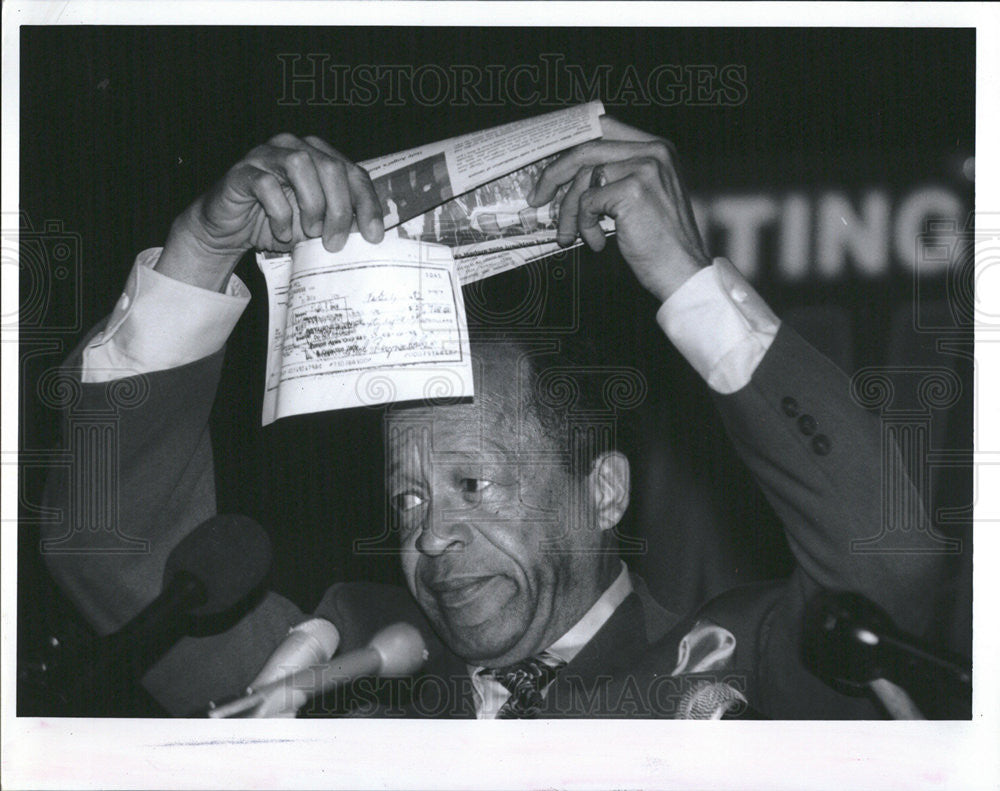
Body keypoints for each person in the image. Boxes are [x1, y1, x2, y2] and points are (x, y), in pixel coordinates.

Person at [40, 118, 945, 718]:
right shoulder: (336, 679)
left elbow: (887, 558)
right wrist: (201, 252)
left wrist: (688, 282)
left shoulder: (729, 666)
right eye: (407, 500)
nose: (429, 537)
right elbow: (104, 541)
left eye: (472, 483)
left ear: (604, 490)